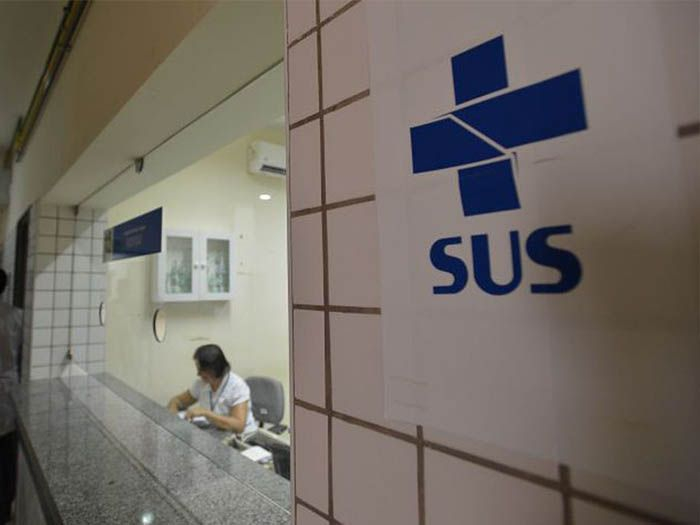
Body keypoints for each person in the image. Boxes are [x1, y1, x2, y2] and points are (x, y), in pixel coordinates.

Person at [167, 344, 257, 435]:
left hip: (242, 437)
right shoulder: (201, 383)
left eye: (201, 369)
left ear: (213, 369)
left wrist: (206, 413)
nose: (198, 374)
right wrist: (173, 418)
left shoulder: (237, 386)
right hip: (216, 432)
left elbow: (238, 426)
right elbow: (177, 401)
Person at [0, 269, 22, 525]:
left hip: (7, 392)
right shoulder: (15, 316)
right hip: (7, 393)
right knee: (6, 458)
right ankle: (5, 509)